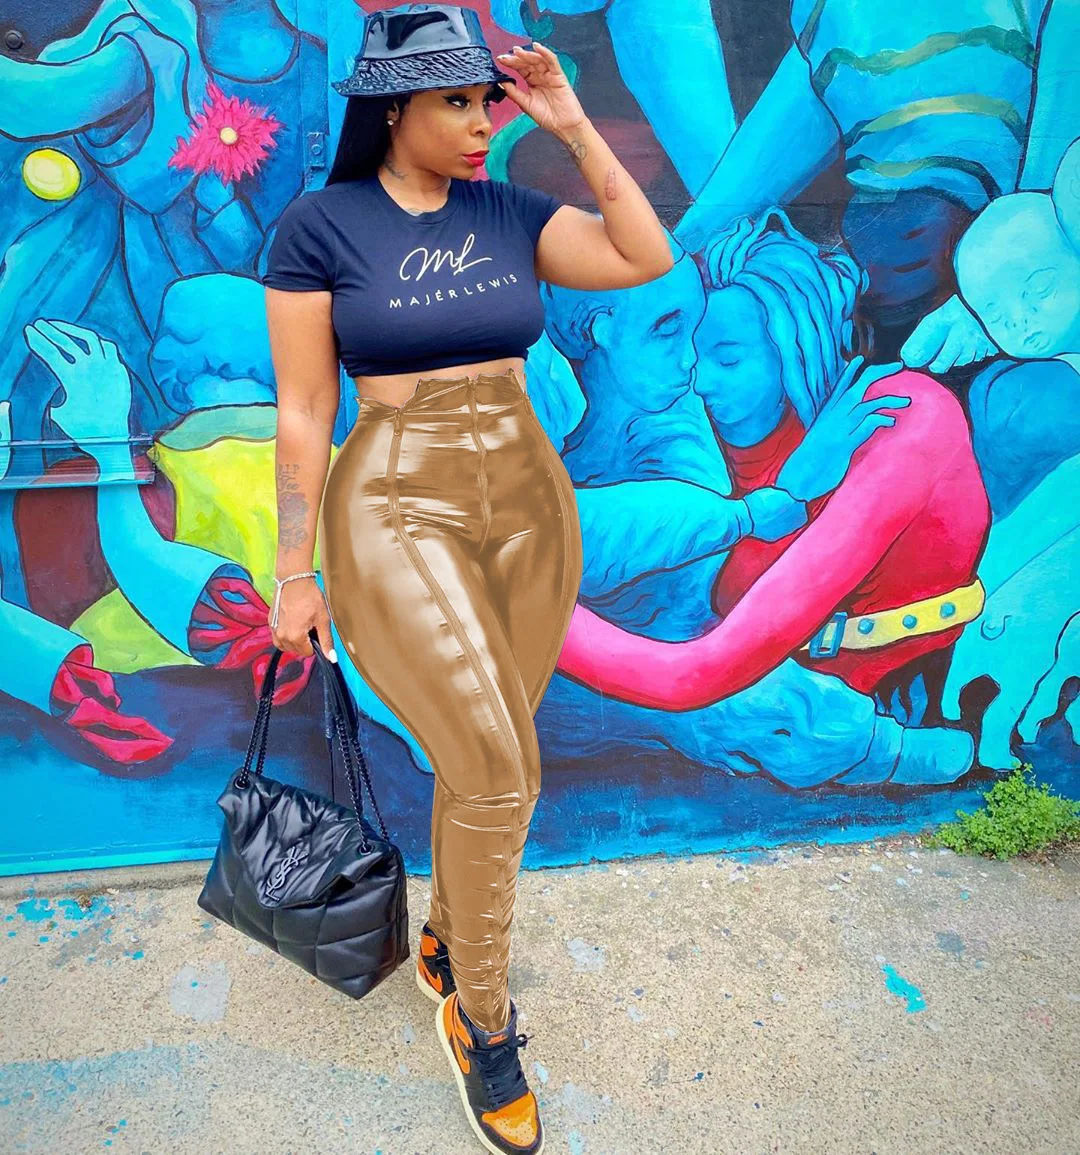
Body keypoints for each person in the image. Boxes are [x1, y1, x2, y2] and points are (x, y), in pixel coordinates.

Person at [260, 6, 672, 1153]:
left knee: (483, 754)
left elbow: (644, 255)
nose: (483, 122)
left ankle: (449, 940)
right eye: (458, 102)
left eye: (486, 100)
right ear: (394, 110)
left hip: (530, 503)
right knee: (499, 770)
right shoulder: (319, 228)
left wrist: (573, 125)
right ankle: (482, 1023)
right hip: (397, 501)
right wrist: (293, 570)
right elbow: (304, 408)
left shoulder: (509, 212)